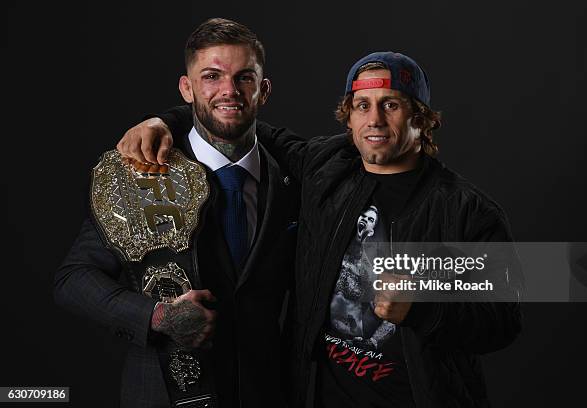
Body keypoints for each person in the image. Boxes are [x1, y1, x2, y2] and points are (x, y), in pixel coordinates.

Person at [118, 52, 522, 407]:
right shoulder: (325, 169)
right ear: (349, 116)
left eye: (391, 105)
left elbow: (502, 322)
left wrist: (423, 307)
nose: (375, 120)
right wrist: (164, 120)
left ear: (421, 116)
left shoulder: (469, 211)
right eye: (362, 105)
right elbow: (241, 123)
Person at [55, 18, 298, 408]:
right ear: (187, 88)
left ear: (263, 90)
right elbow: (73, 279)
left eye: (244, 78)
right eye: (211, 77)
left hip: (268, 392)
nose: (229, 91)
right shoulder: (140, 173)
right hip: (164, 394)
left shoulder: (293, 174)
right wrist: (154, 316)